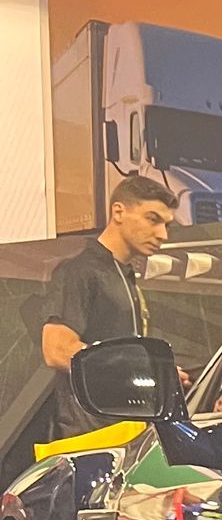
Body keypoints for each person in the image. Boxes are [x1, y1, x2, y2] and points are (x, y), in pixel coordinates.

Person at [39, 174, 174, 439]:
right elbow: (56, 350)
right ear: (118, 211)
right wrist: (139, 369)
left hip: (125, 433)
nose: (162, 234)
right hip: (91, 439)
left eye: (166, 224)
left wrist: (158, 372)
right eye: (153, 219)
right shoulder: (80, 270)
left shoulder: (122, 276)